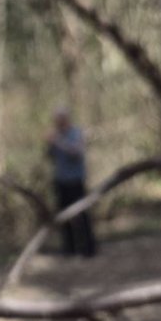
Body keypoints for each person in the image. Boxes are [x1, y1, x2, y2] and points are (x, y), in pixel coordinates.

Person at [45, 108, 96, 258]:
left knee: (82, 214)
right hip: (61, 180)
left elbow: (76, 152)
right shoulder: (56, 134)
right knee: (63, 215)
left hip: (75, 180)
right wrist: (49, 144)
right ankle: (69, 249)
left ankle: (88, 248)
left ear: (65, 118)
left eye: (59, 119)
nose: (57, 122)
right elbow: (50, 157)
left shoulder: (76, 133)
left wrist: (57, 141)